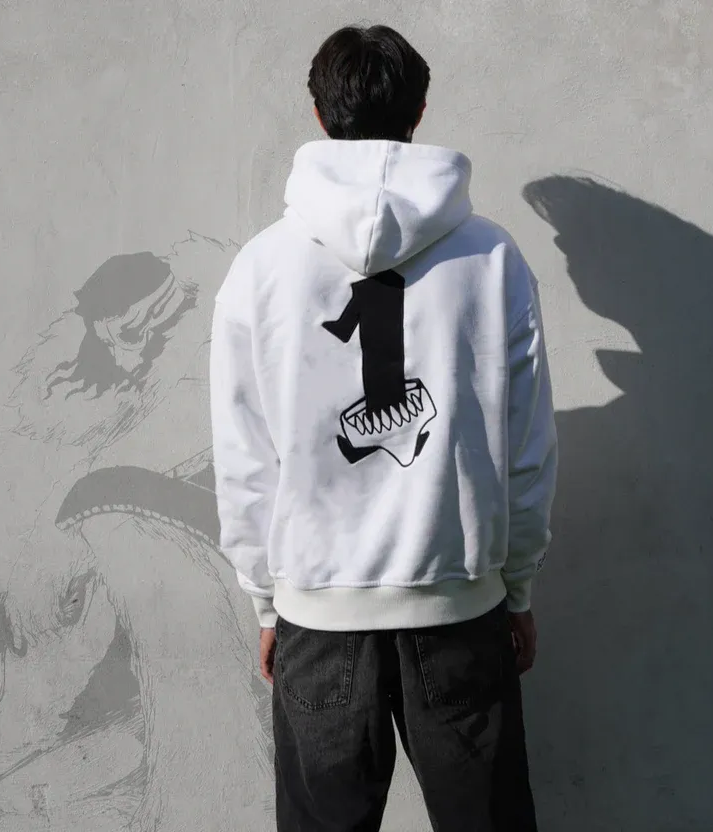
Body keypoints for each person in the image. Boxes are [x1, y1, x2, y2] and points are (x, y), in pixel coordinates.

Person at [210, 23, 558, 832]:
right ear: (419, 111)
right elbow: (528, 446)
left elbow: (243, 458)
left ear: (318, 113)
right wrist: (516, 587)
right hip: (459, 610)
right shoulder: (492, 258)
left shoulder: (260, 268)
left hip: (320, 619)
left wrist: (268, 600)